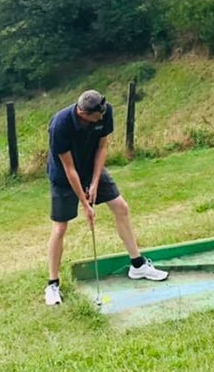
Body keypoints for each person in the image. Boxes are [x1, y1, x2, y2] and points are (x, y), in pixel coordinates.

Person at [45, 90, 168, 306]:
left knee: (121, 207)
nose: (102, 118)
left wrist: (94, 183)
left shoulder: (104, 110)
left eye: (103, 112)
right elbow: (69, 167)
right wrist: (85, 204)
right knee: (60, 228)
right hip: (64, 177)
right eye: (97, 116)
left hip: (93, 167)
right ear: (83, 113)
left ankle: (137, 266)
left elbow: (102, 147)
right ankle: (52, 284)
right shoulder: (60, 125)